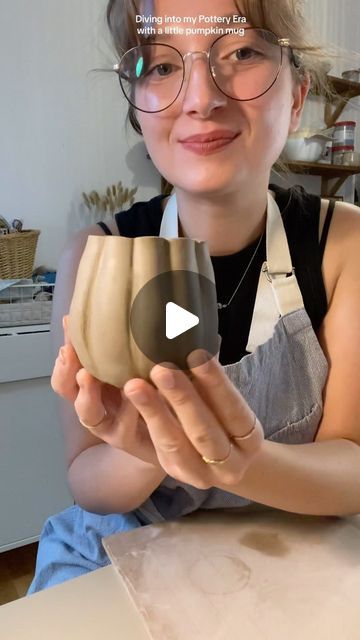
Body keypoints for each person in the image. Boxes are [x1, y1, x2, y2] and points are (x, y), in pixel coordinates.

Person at [28, 0, 360, 594]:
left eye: (241, 53)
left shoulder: (345, 245)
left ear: (296, 90)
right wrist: (147, 447)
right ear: (138, 109)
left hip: (296, 553)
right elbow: (88, 481)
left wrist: (245, 463)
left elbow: (352, 468)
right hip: (114, 558)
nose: (201, 97)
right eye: (160, 66)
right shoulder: (96, 258)